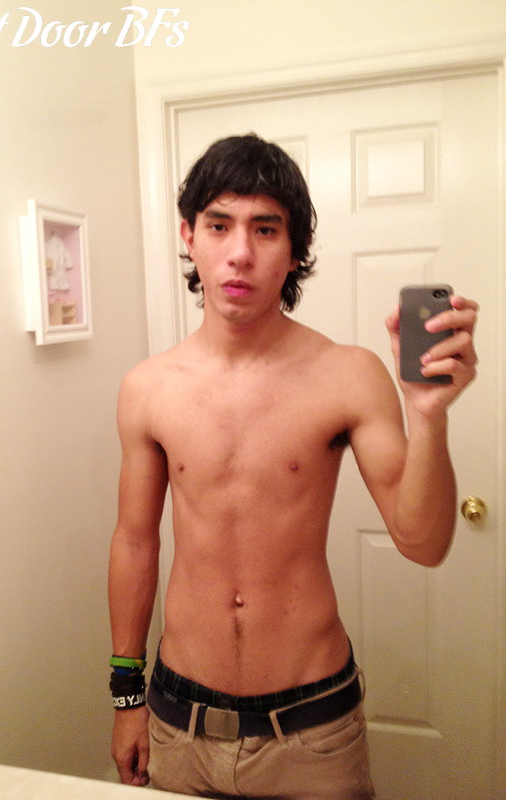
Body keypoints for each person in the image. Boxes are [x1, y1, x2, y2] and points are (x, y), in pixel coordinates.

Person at [108, 134, 478, 799]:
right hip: (178, 723)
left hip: (312, 732)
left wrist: (428, 415)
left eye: (266, 229)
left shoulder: (348, 375)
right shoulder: (148, 388)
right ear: (188, 236)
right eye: (218, 225)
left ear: (295, 249)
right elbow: (135, 542)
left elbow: (423, 543)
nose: (240, 252)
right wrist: (125, 695)